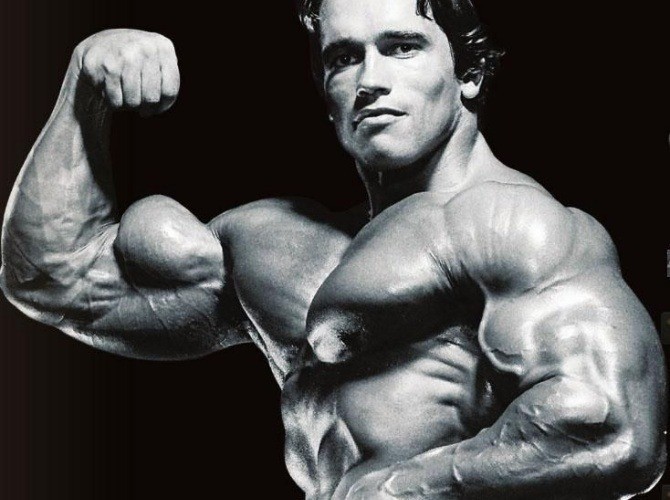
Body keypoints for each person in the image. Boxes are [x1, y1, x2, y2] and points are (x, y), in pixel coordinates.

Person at [0, 0, 666, 498]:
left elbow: (611, 429)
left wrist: (398, 489)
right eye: (344, 57)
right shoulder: (274, 243)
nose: (369, 78)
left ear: (469, 73)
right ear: (324, 91)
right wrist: (84, 87)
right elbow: (54, 281)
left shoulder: (515, 226)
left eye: (401, 48)